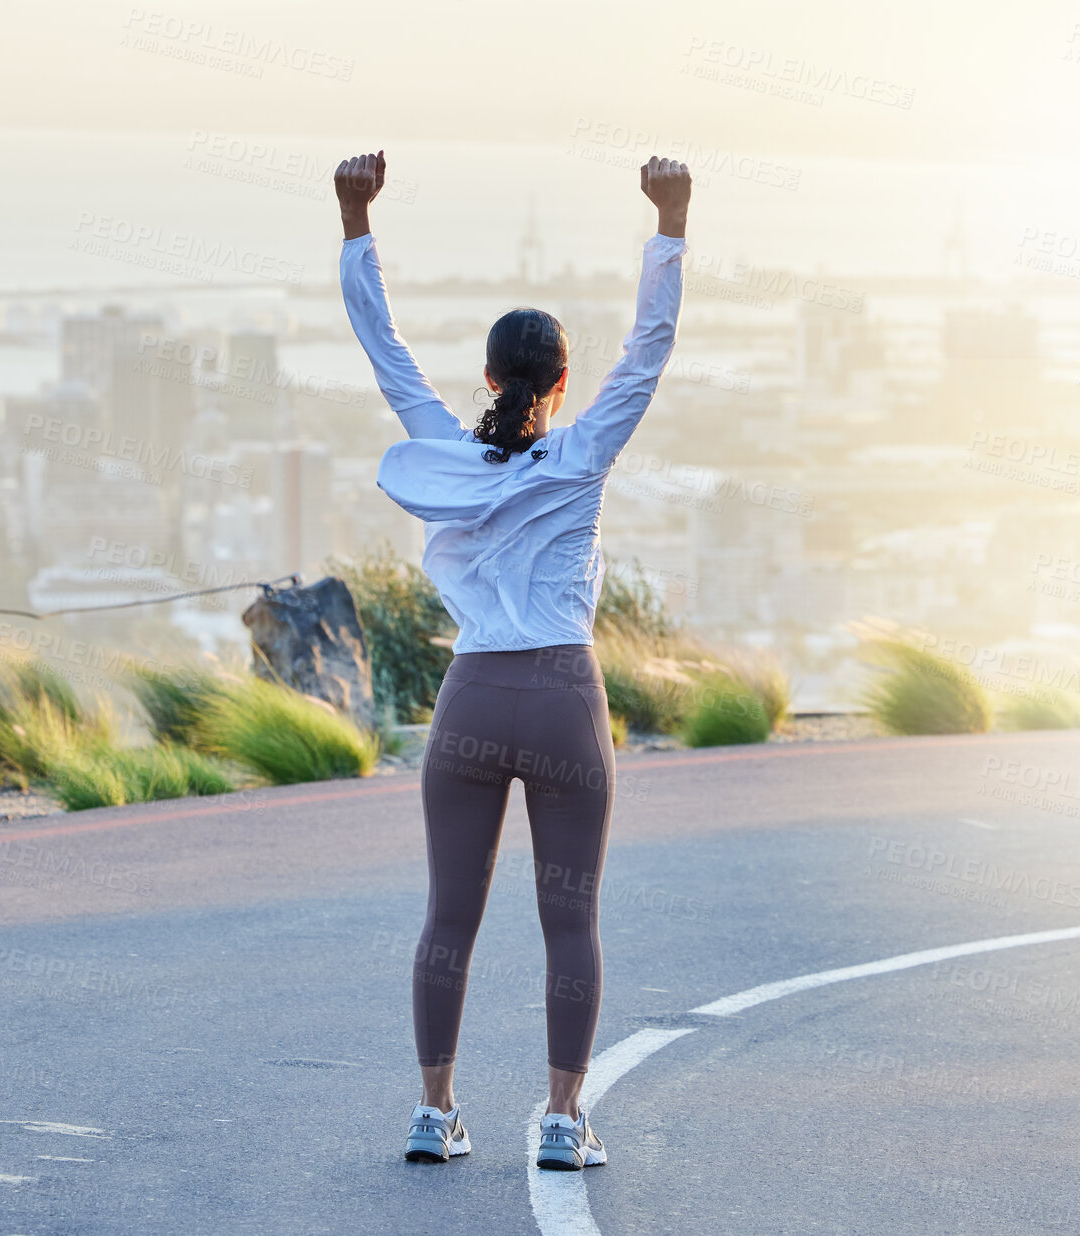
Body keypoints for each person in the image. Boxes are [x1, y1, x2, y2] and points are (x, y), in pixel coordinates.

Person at [335, 148, 690, 1171]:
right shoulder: (582, 454)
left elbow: (383, 347)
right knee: (567, 918)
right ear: (562, 384)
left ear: (488, 380)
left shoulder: (443, 452)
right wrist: (669, 220)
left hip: (472, 701)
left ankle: (433, 1112)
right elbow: (652, 345)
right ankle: (562, 1122)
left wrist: (356, 220)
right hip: (562, 697)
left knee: (449, 915)